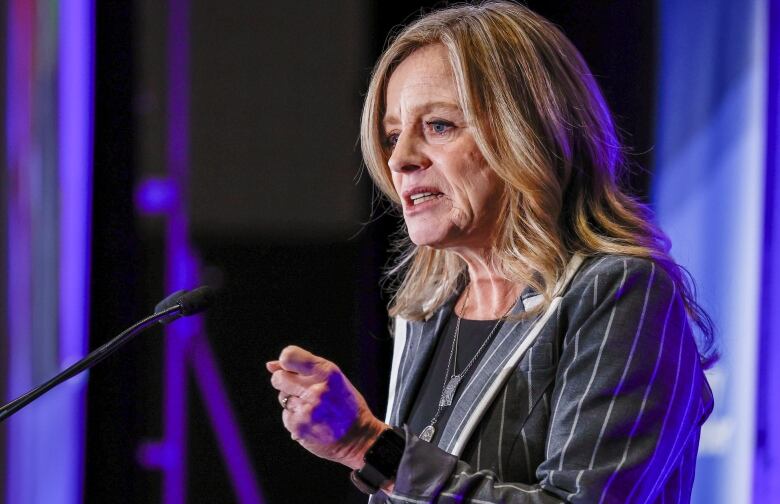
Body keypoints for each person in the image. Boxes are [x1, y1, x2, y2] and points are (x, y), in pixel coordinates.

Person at [267, 2, 715, 502]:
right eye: (393, 135)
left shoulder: (619, 292)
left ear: (529, 132)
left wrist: (371, 447)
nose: (399, 159)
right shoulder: (429, 311)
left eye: (438, 125)